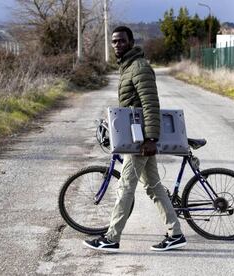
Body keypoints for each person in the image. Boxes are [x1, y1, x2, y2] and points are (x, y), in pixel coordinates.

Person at [83, 26, 186, 252]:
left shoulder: (139, 67)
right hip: (136, 137)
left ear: (131, 42)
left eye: (121, 41)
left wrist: (150, 138)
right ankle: (175, 233)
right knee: (153, 186)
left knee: (125, 186)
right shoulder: (128, 67)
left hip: (141, 141)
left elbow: (150, 104)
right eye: (114, 42)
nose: (117, 45)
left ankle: (111, 237)